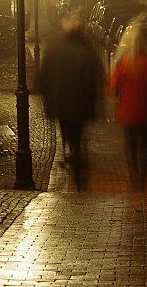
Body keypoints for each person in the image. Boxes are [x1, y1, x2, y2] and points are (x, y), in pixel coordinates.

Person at [39, 15, 103, 189]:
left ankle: (69, 149)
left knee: (65, 126)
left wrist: (47, 97)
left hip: (61, 102)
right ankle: (76, 153)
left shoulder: (53, 50)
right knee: (78, 131)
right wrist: (94, 102)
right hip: (80, 103)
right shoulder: (85, 51)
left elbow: (43, 78)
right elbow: (92, 79)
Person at [109, 20, 147, 191]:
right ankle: (142, 177)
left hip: (128, 112)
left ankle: (133, 173)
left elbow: (113, 86)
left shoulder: (122, 64)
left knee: (131, 145)